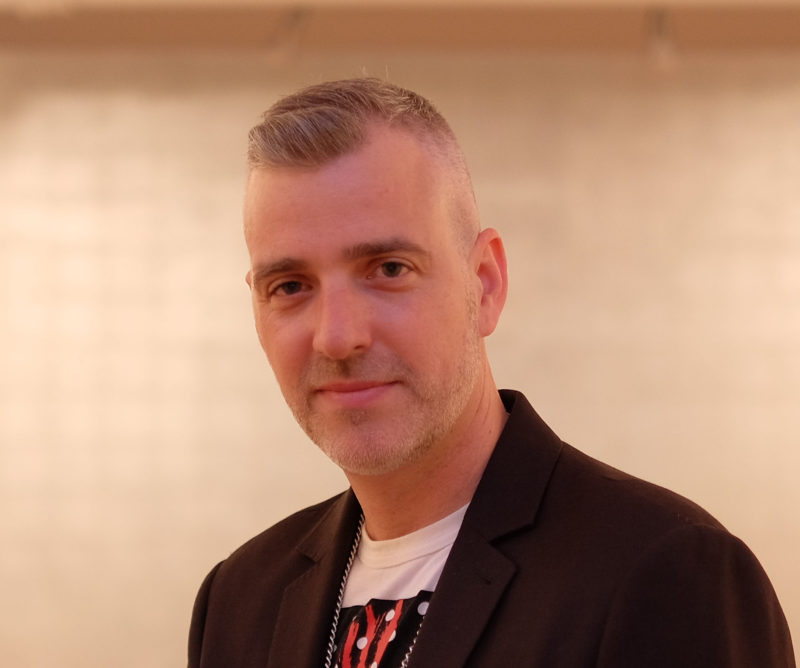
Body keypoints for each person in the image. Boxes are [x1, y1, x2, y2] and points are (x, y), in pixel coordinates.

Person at [188, 78, 794, 668]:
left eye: (389, 268)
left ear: (486, 283)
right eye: (290, 286)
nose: (339, 335)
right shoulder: (239, 600)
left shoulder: (665, 574)